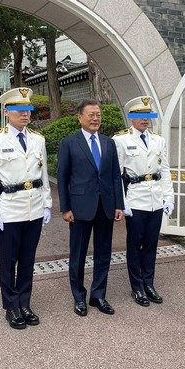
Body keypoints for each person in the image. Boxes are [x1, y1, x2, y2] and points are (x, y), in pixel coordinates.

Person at [0, 87, 52, 330]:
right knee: (9, 260)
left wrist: (47, 204)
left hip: (34, 209)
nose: (25, 114)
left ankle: (25, 302)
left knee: (28, 259)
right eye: (19, 110)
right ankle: (11, 306)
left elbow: (43, 174)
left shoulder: (38, 139)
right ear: (6, 111)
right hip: (9, 209)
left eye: (28, 109)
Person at [57, 100, 124, 317]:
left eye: (98, 115)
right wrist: (65, 208)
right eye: (91, 115)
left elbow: (115, 175)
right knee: (78, 254)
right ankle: (79, 297)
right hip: (79, 208)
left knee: (103, 253)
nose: (96, 119)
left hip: (105, 206)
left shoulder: (109, 143)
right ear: (80, 117)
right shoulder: (69, 143)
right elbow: (62, 177)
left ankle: (98, 295)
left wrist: (118, 204)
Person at [113, 96, 174, 307]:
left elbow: (164, 170)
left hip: (155, 198)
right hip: (135, 199)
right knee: (134, 244)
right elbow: (118, 174)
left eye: (147, 115)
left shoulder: (159, 140)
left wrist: (169, 197)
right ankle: (137, 286)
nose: (145, 119)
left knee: (151, 244)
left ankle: (149, 283)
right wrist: (122, 202)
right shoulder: (121, 140)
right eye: (140, 115)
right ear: (132, 117)